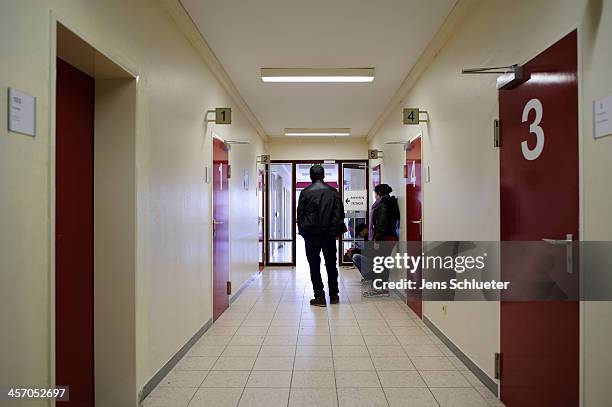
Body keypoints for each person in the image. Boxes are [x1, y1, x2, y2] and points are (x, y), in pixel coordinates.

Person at [297, 164, 347, 307]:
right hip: (329, 235)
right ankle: (334, 295)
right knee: (331, 265)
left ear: (311, 176)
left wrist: (303, 231)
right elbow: (340, 214)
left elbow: (300, 215)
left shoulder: (306, 192)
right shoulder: (333, 192)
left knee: (314, 266)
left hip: (311, 235)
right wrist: (335, 231)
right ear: (324, 175)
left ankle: (319, 297)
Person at [364, 183, 400, 297]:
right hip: (391, 237)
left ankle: (377, 290)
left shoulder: (383, 204)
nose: (374, 196)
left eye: (375, 193)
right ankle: (383, 289)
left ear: (379, 193)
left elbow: (382, 223)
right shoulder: (391, 202)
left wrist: (377, 240)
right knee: (384, 264)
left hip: (384, 238)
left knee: (378, 264)